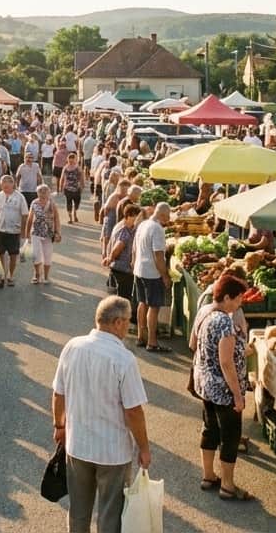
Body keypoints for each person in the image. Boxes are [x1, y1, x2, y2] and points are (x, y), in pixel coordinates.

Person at [52, 296, 151, 533]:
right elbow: (134, 411)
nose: (128, 327)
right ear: (117, 322)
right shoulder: (124, 359)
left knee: (78, 511)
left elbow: (58, 393)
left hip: (77, 446)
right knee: (110, 515)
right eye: (128, 321)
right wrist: (144, 448)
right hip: (112, 452)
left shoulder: (72, 347)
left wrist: (60, 426)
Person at [190, 275, 252, 500]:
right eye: (237, 300)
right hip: (223, 389)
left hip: (205, 384)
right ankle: (228, 486)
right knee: (230, 436)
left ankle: (208, 476)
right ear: (227, 297)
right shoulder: (225, 322)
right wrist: (237, 395)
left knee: (210, 429)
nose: (239, 304)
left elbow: (192, 344)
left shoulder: (204, 311)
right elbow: (226, 362)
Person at [132, 203, 171, 352]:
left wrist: (134, 263)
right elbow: (158, 255)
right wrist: (165, 275)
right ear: (162, 215)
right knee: (154, 307)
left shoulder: (143, 224)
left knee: (142, 303)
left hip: (139, 269)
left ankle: (141, 336)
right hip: (152, 273)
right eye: (167, 216)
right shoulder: (158, 229)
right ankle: (152, 342)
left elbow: (135, 248)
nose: (168, 219)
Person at [0, 174, 29, 288]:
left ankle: (10, 276)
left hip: (14, 230)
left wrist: (23, 231)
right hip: (0, 229)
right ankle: (2, 275)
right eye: (4, 183)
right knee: (1, 253)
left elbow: (24, 215)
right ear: (1, 185)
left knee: (13, 255)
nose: (6, 185)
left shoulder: (19, 197)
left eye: (9, 182)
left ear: (13, 184)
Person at [103, 203, 140, 321]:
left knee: (121, 294)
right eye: (136, 216)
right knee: (123, 297)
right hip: (122, 268)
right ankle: (118, 319)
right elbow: (118, 246)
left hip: (120, 268)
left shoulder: (126, 227)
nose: (137, 219)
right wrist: (110, 258)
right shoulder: (125, 231)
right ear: (129, 216)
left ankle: (117, 317)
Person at [27, 183, 62, 285]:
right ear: (37, 193)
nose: (42, 194)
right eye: (40, 192)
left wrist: (58, 232)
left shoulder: (52, 204)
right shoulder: (34, 203)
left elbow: (57, 219)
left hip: (48, 234)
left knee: (47, 256)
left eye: (45, 192)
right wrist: (26, 234)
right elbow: (30, 219)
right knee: (36, 255)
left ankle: (46, 276)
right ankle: (37, 274)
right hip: (36, 232)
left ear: (48, 194)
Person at [60, 152, 84, 224]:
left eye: (72, 160)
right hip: (68, 188)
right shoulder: (65, 168)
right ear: (68, 160)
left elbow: (81, 177)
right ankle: (70, 218)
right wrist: (61, 187)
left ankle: (75, 212)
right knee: (69, 203)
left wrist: (82, 185)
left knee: (77, 203)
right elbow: (62, 178)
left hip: (76, 188)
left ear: (75, 160)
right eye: (70, 160)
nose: (71, 162)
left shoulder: (78, 168)